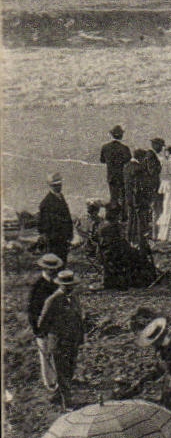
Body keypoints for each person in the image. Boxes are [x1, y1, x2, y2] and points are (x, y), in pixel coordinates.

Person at [36, 268, 83, 407]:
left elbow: (78, 318)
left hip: (72, 341)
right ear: (60, 284)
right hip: (59, 342)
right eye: (66, 285)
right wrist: (51, 334)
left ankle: (57, 396)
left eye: (71, 285)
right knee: (62, 372)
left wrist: (80, 337)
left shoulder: (74, 298)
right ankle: (67, 403)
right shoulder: (52, 300)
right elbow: (42, 322)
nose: (69, 288)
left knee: (70, 370)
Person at [28, 254, 64, 393]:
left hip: (56, 325)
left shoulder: (58, 284)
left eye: (54, 269)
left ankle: (59, 380)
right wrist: (36, 329)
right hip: (42, 327)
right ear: (44, 268)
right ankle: (50, 384)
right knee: (45, 355)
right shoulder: (37, 286)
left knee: (57, 353)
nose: (52, 271)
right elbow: (32, 310)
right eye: (49, 269)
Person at [125, 138, 162, 246]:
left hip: (129, 197)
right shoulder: (139, 169)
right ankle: (140, 241)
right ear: (140, 158)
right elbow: (139, 186)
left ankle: (130, 239)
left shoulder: (127, 166)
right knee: (140, 221)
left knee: (131, 219)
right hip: (138, 198)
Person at [36, 173, 74, 261]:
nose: (58, 187)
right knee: (55, 262)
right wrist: (49, 238)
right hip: (54, 241)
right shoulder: (46, 203)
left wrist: (69, 235)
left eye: (59, 184)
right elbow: (43, 224)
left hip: (64, 239)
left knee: (63, 261)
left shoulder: (61, 197)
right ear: (50, 186)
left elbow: (67, 217)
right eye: (55, 185)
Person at [99, 125, 132, 207]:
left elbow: (102, 160)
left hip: (111, 176)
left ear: (112, 135)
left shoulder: (105, 147)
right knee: (123, 198)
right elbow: (128, 160)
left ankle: (113, 212)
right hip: (122, 176)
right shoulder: (125, 148)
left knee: (113, 197)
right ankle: (122, 213)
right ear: (121, 136)